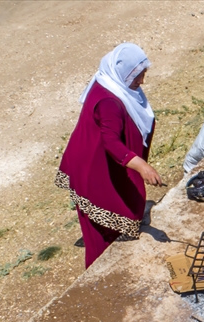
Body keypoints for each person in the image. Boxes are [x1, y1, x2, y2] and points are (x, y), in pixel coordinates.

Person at [56, 43, 164, 268]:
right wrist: (142, 166)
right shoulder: (109, 101)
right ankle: (97, 279)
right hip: (92, 170)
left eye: (143, 74)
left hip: (104, 163)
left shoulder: (112, 82)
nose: (142, 81)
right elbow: (111, 142)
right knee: (100, 233)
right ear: (123, 74)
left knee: (123, 208)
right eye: (138, 76)